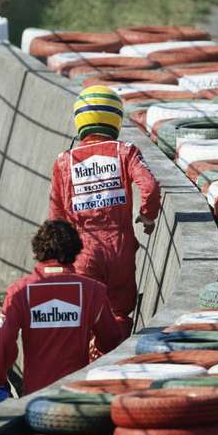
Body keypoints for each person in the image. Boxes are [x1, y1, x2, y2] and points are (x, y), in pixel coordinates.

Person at [49, 85, 161, 338]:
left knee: (83, 317)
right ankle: (114, 366)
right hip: (120, 248)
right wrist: (147, 216)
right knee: (120, 314)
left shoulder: (63, 161)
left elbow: (56, 220)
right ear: (116, 119)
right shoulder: (125, 151)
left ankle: (87, 370)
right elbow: (151, 188)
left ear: (80, 120)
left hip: (82, 250)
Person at [0, 220, 123, 407]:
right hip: (78, 396)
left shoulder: (19, 292)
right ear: (75, 250)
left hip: (36, 399)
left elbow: (3, 343)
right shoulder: (93, 291)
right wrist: (93, 343)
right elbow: (112, 340)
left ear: (38, 250)